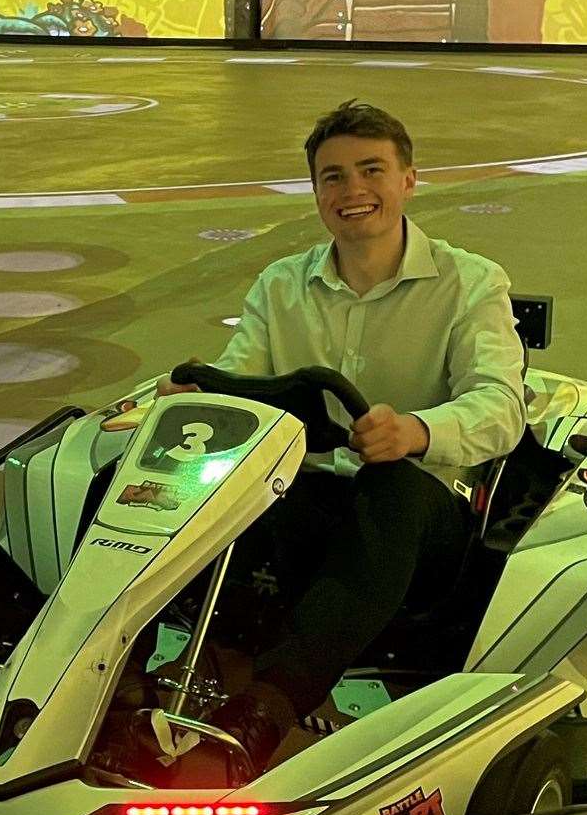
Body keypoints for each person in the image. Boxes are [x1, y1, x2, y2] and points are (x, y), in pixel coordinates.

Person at [158, 100, 527, 769]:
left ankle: (265, 710)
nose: (352, 191)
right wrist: (196, 395)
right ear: (316, 192)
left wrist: (417, 430)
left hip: (425, 520)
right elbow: (240, 378)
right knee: (150, 474)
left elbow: (501, 406)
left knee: (391, 491)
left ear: (408, 179)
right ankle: (113, 670)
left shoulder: (469, 284)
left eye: (371, 170)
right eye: (332, 177)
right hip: (308, 497)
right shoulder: (280, 286)